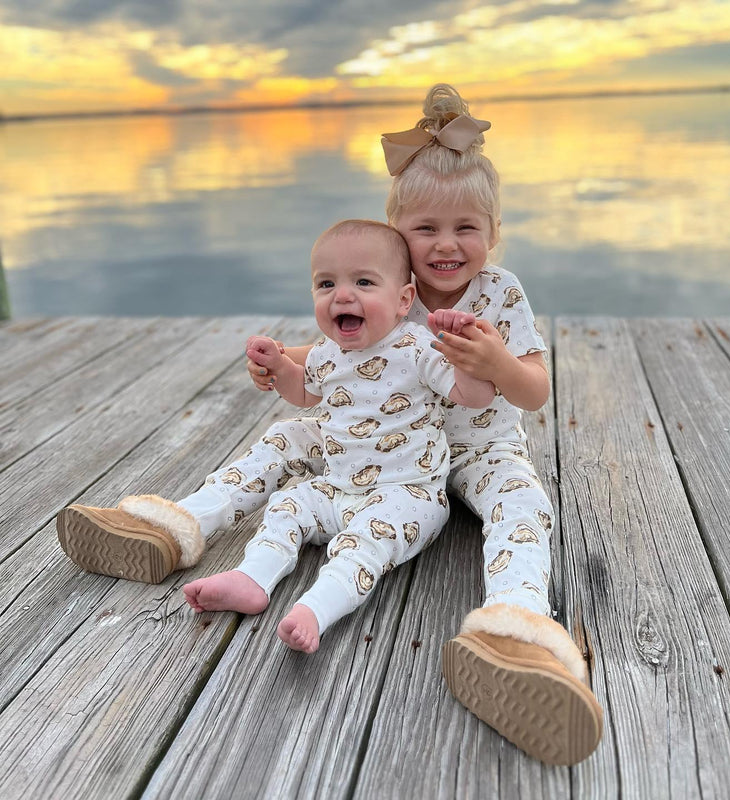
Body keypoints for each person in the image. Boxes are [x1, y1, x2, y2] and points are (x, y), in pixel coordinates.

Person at [58, 83, 603, 765]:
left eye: (466, 228)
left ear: (492, 233)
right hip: (385, 446)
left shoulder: (501, 292)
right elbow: (331, 353)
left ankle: (516, 629)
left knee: (523, 503)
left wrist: (494, 358)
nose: (446, 245)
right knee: (285, 438)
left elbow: (536, 391)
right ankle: (180, 522)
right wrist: (276, 361)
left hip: (480, 445)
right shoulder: (383, 282)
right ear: (397, 235)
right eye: (425, 229)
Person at [58, 219, 495, 656]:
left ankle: (316, 609)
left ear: (403, 300)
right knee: (288, 506)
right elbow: (303, 394)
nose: (342, 295)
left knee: (364, 547)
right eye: (326, 284)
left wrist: (465, 355)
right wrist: (283, 366)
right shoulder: (327, 353)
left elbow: (472, 396)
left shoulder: (418, 347)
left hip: (406, 494)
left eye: (363, 282)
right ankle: (252, 577)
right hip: (337, 487)